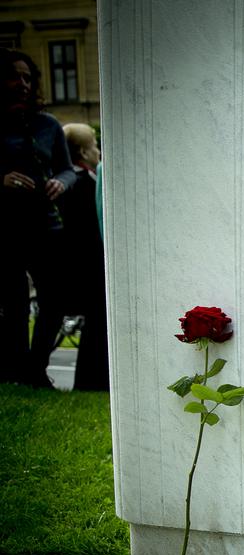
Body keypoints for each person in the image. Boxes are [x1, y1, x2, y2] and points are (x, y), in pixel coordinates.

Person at [1, 49, 76, 387]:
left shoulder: (48, 125)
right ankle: (17, 371)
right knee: (13, 303)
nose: (23, 84)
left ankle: (36, 367)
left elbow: (66, 168)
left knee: (55, 299)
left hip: (47, 225)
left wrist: (62, 181)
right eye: (15, 76)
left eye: (28, 77)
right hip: (5, 228)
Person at [58, 123, 108, 391]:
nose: (97, 152)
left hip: (78, 267)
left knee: (96, 323)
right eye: (93, 147)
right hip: (89, 267)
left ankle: (90, 380)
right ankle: (93, 381)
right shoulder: (85, 183)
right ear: (81, 151)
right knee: (98, 323)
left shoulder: (71, 184)